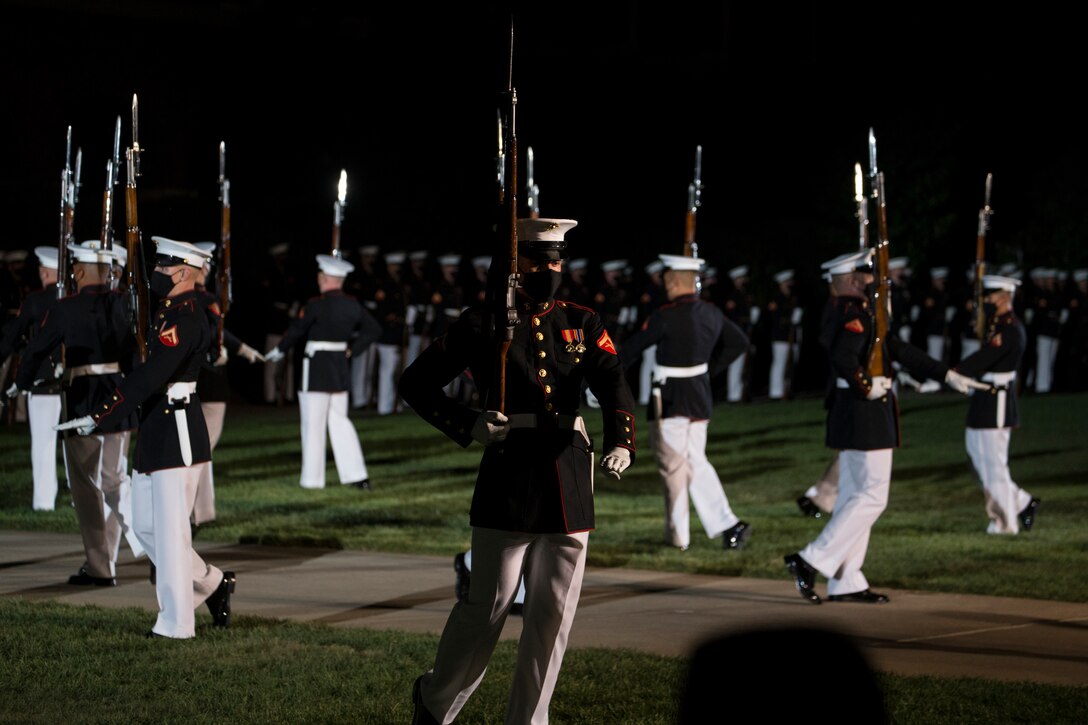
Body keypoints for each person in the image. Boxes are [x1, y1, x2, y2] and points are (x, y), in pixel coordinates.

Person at [401, 217, 636, 725]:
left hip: (569, 471)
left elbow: (613, 381)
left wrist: (621, 441)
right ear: (514, 264)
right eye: (541, 259)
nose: (552, 269)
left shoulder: (582, 320)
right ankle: (437, 700)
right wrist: (469, 424)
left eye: (558, 259)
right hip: (509, 470)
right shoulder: (483, 322)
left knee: (553, 616)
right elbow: (416, 384)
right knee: (487, 607)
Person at [56, 237, 235, 638]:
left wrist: (99, 415)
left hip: (175, 429)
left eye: (164, 268)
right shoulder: (167, 312)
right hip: (156, 426)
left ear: (185, 272)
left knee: (171, 533)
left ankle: (176, 623)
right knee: (148, 526)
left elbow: (151, 377)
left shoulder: (186, 318)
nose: (156, 274)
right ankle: (210, 582)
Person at [783, 248, 984, 605]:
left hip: (857, 411)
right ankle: (810, 558)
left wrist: (946, 374)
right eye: (867, 274)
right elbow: (845, 358)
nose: (875, 279)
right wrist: (868, 385)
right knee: (873, 495)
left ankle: (847, 579)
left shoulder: (855, 311)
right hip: (864, 411)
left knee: (853, 495)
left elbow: (895, 348)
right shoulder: (850, 312)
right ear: (851, 279)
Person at [14, 240, 143, 583]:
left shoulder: (66, 308)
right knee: (115, 481)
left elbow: (37, 350)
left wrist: (21, 382)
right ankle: (128, 554)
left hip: (84, 399)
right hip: (118, 400)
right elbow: (133, 357)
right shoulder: (121, 304)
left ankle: (107, 564)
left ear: (82, 270)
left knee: (87, 488)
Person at [619, 254, 751, 551]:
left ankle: (698, 530)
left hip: (670, 396)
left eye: (667, 281)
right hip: (699, 393)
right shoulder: (711, 312)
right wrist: (709, 370)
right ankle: (709, 528)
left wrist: (601, 377)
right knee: (693, 460)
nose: (665, 287)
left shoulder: (665, 315)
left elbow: (632, 349)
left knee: (676, 467)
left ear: (677, 282)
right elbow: (739, 342)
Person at [265, 253, 381, 489]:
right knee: (340, 421)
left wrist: (279, 350)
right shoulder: (352, 304)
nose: (318, 279)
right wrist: (351, 350)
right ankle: (357, 476)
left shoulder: (316, 305)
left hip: (316, 367)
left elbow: (297, 330)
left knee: (313, 424)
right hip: (339, 366)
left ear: (327, 278)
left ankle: (312, 479)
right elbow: (373, 329)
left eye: (321, 275)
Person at [949, 274, 1040, 534]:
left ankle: (1004, 521)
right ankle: (1022, 502)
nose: (986, 301)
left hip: (996, 399)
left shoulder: (1009, 328)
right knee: (978, 459)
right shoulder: (996, 325)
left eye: (989, 296)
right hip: (983, 396)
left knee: (994, 463)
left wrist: (953, 373)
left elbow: (985, 357)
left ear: (1002, 297)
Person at [190, 242, 264, 532]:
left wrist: (241, 348)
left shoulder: (206, 300)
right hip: (200, 382)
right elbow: (206, 336)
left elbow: (219, 332)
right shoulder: (193, 302)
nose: (207, 271)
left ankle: (199, 512)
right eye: (203, 266)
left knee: (201, 450)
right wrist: (214, 353)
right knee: (198, 451)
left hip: (211, 386)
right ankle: (195, 513)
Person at [0, 246, 64, 511]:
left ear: (45, 272)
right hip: (71, 381)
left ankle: (44, 501)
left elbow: (14, 337)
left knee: (43, 443)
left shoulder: (36, 301)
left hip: (43, 381)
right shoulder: (70, 298)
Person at [721, 264, 756, 403]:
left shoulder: (745, 294)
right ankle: (733, 395)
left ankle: (740, 392)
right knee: (736, 364)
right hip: (736, 334)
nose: (742, 280)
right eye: (739, 278)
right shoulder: (733, 296)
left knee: (742, 364)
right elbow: (732, 317)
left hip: (744, 332)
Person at [766, 268, 802, 400]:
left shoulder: (793, 298)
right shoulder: (777, 298)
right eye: (787, 282)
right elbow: (775, 318)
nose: (789, 284)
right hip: (780, 336)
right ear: (781, 283)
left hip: (793, 336)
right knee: (780, 363)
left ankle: (787, 389)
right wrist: (790, 319)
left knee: (791, 363)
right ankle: (776, 392)